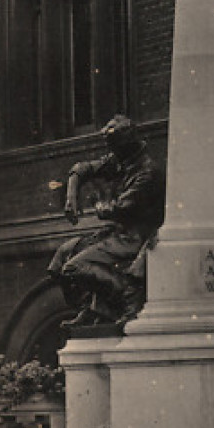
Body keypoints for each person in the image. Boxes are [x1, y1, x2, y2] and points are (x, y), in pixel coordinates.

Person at [48, 115, 165, 329]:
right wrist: (71, 198)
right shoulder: (121, 159)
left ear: (127, 144)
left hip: (134, 236)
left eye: (114, 148)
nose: (111, 154)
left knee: (74, 267)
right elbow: (82, 169)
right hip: (116, 233)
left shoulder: (147, 172)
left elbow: (121, 208)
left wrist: (100, 206)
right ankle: (90, 308)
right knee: (60, 259)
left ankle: (127, 296)